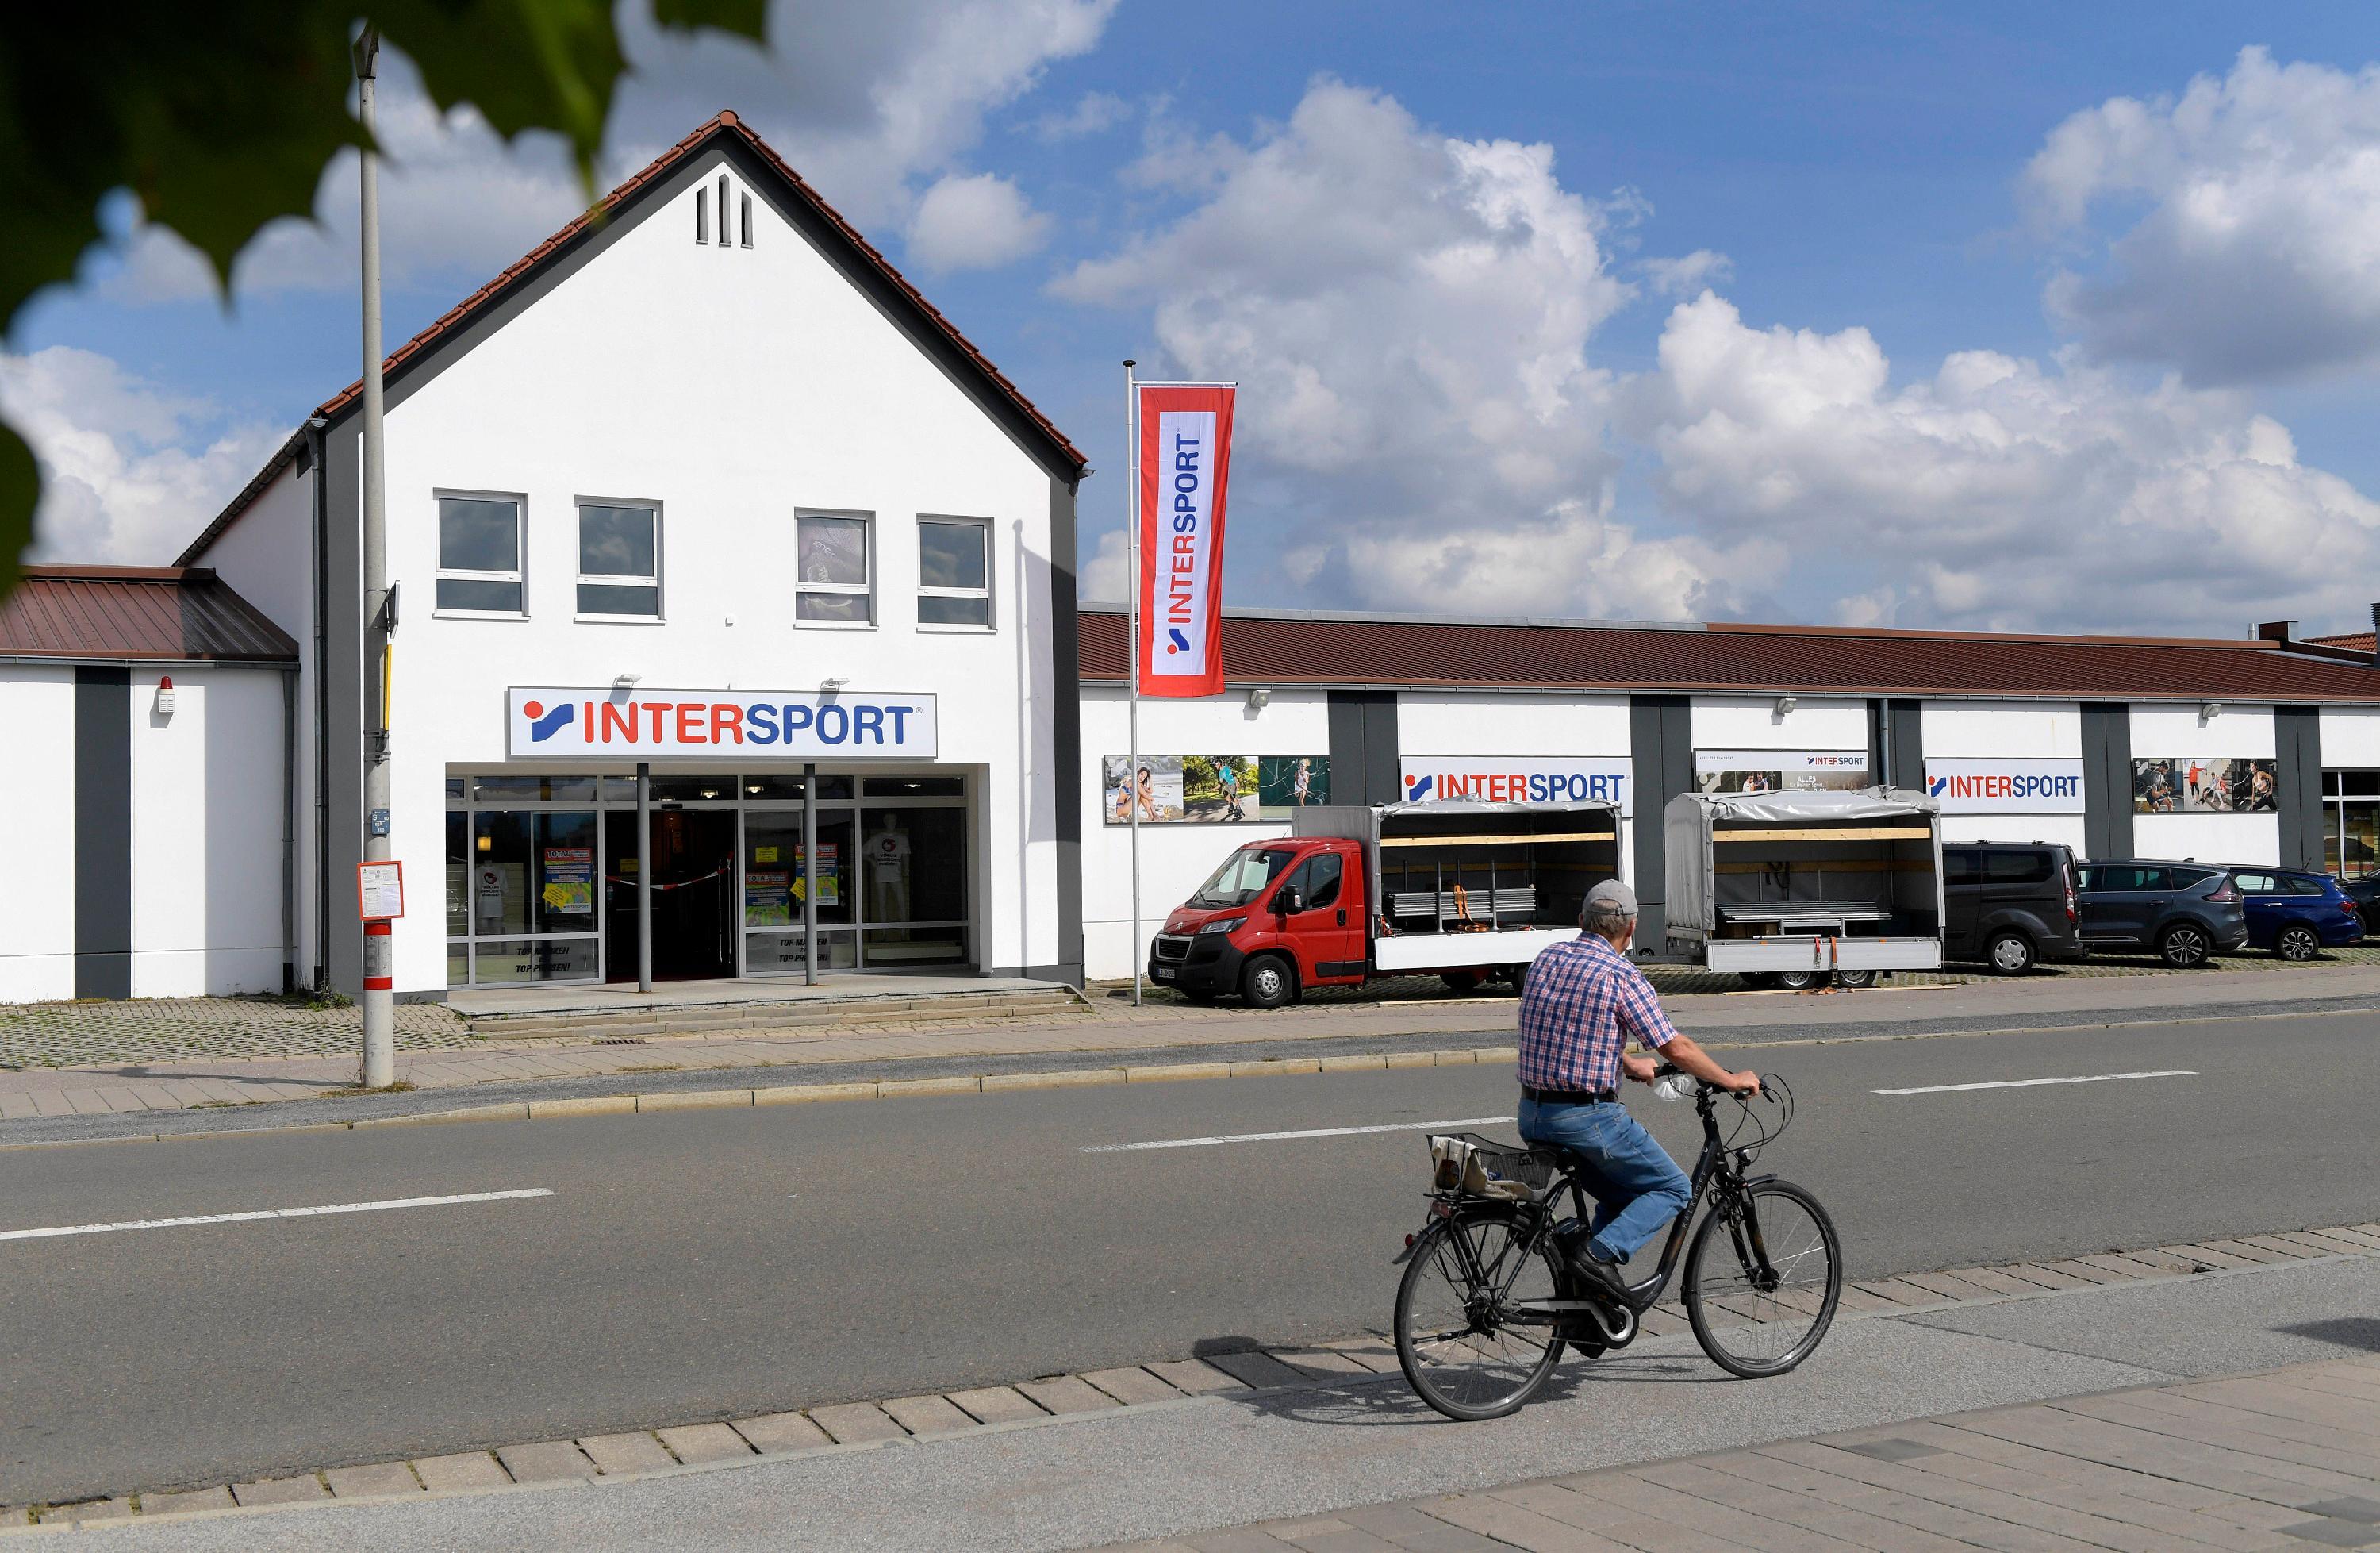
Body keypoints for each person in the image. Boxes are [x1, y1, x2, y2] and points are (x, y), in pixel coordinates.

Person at [1517, 878, 1760, 1301]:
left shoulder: (1548, 958)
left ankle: (1592, 1303)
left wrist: (1626, 1062)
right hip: (1585, 1120)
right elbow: (1674, 1047)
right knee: (1673, 1189)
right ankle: (1593, 1259)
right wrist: (1730, 1078)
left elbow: (1568, 1027)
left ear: (1581, 921)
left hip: (1533, 1115)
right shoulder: (1621, 975)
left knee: (1625, 1192)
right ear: (1631, 930)